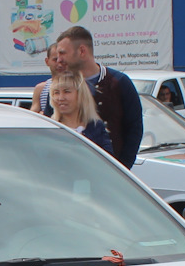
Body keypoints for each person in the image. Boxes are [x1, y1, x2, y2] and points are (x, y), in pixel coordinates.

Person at [56, 26, 144, 166]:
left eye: (62, 53)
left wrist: (122, 169)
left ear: (82, 51)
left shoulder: (119, 82)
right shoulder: (58, 87)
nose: (58, 59)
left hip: (109, 175)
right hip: (67, 173)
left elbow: (134, 128)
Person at [48, 68, 111, 152]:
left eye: (66, 91)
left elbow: (107, 159)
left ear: (81, 95)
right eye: (56, 92)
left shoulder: (96, 127)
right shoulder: (49, 128)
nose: (60, 98)